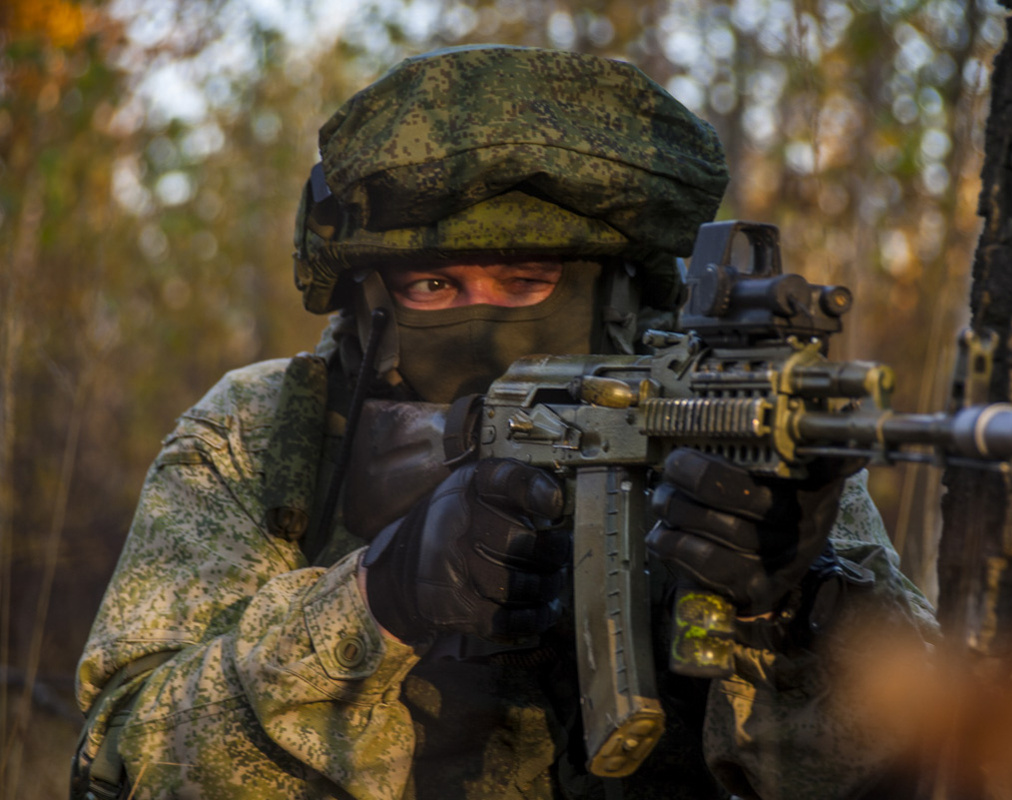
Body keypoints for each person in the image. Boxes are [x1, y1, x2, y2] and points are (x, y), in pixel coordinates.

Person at [72, 45, 938, 800]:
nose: (484, 323)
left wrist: (805, 612)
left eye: (527, 281)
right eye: (436, 287)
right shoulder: (262, 435)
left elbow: (928, 761)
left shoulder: (732, 417)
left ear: (619, 292)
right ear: (373, 302)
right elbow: (124, 763)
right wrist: (380, 597)